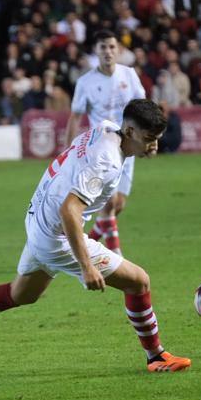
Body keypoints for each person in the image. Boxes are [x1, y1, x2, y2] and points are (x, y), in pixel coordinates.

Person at [0, 99, 191, 375]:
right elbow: (70, 209)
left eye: (157, 139)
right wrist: (86, 266)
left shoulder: (107, 128)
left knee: (20, 294)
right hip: (56, 234)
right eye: (149, 139)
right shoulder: (106, 162)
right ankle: (155, 355)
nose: (154, 146)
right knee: (139, 282)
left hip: (38, 217)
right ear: (131, 132)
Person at [66, 30, 145, 256]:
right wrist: (69, 149)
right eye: (103, 47)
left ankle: (83, 245)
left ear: (118, 50)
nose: (108, 52)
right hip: (101, 148)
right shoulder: (86, 82)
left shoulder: (129, 75)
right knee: (109, 204)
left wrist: (148, 139)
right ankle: (115, 257)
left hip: (128, 147)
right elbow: (75, 116)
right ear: (96, 51)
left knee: (117, 205)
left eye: (112, 47)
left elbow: (143, 106)